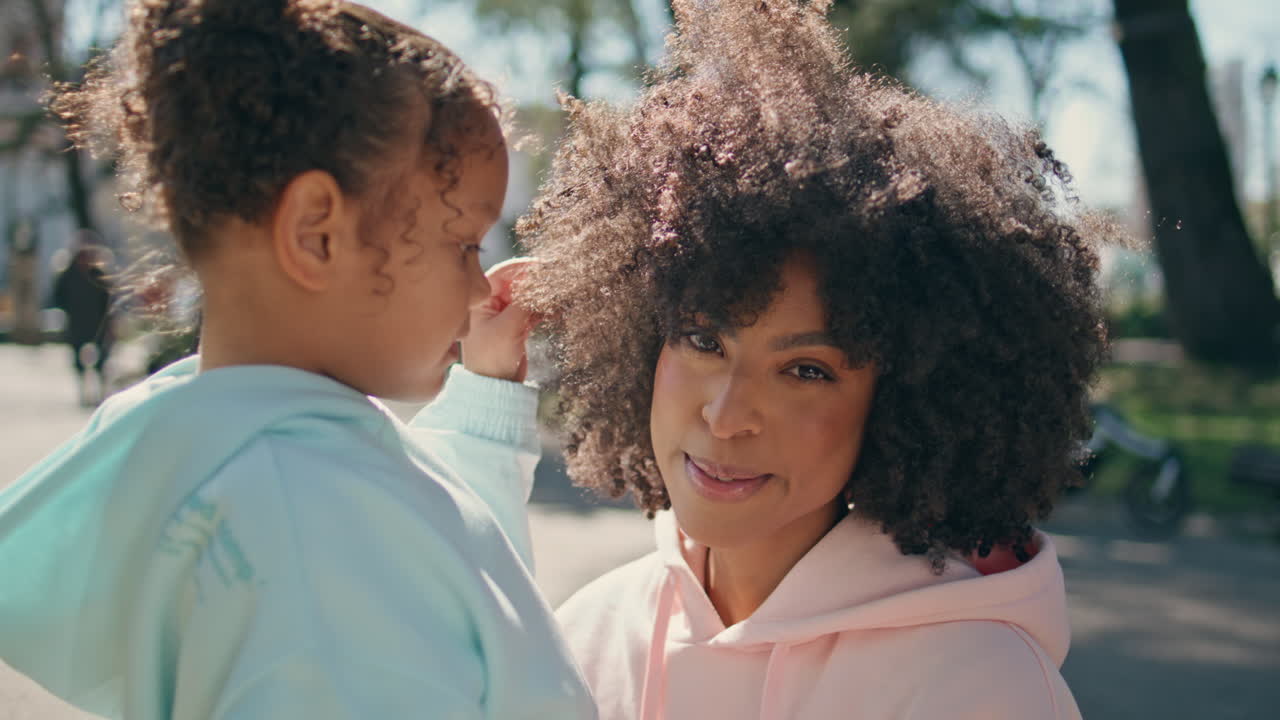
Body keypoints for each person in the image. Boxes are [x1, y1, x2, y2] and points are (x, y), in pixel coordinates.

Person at [519, 1, 1117, 718]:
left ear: (901, 406)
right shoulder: (585, 638)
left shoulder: (980, 687)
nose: (726, 413)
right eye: (705, 341)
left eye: (807, 370)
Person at [0, 2, 594, 719]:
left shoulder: (254, 453)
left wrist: (488, 394)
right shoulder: (312, 551)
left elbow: (438, 552)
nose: (476, 288)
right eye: (463, 243)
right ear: (316, 235)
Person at [53, 242, 114, 405]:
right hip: (76, 324)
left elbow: (109, 299)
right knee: (78, 360)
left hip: (98, 324)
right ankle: (83, 392)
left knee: (101, 360)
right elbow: (58, 297)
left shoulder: (99, 275)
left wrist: (110, 322)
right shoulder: (67, 276)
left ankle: (101, 391)